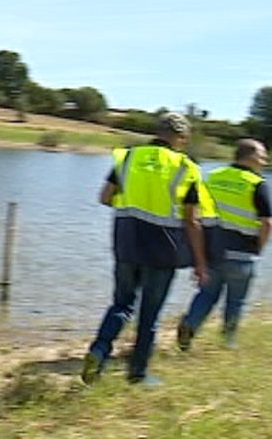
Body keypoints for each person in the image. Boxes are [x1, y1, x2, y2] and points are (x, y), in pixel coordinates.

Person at [81, 112, 208, 386]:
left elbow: (104, 197)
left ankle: (99, 351)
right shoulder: (186, 167)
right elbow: (192, 220)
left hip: (126, 243)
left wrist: (132, 207)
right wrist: (200, 262)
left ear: (156, 131)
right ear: (182, 138)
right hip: (163, 250)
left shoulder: (128, 157)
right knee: (149, 314)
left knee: (122, 304)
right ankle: (137, 375)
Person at [177, 138, 272, 350]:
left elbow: (195, 213)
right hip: (242, 253)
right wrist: (259, 247)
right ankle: (228, 343)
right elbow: (268, 222)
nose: (265, 161)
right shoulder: (257, 183)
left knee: (207, 294)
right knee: (236, 301)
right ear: (250, 157)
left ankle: (190, 324)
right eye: (262, 156)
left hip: (213, 251)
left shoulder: (212, 177)